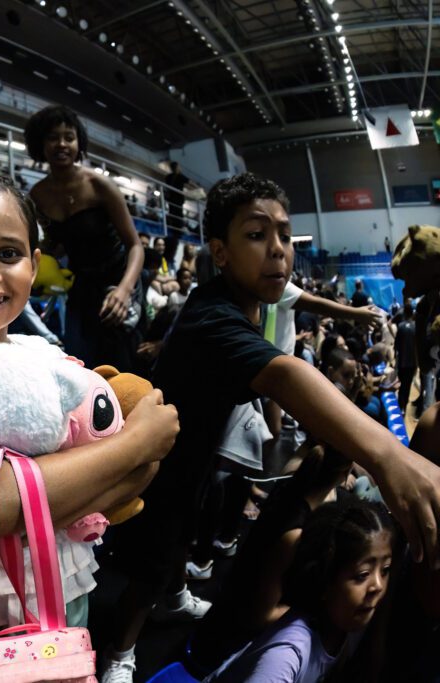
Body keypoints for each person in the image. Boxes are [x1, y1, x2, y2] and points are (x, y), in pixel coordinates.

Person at [99, 172, 440, 683]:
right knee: (152, 561)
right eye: (257, 235)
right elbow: (285, 372)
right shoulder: (214, 314)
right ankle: (120, 652)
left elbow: (299, 321)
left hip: (199, 453)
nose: (278, 250)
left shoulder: (253, 300)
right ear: (220, 251)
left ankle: (174, 597)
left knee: (182, 540)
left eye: (284, 235)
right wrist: (388, 455)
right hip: (161, 462)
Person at [0, 174, 177, 635]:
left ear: (33, 263)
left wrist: (26, 506)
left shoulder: (48, 356)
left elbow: (136, 480)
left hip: (65, 588)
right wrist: (134, 445)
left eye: (7, 254)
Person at [189, 445, 353, 674]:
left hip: (222, 611)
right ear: (345, 475)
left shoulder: (288, 487)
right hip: (229, 641)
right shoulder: (294, 536)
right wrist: (317, 604)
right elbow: (260, 615)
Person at [203, 497, 395, 683]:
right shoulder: (285, 657)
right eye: (362, 574)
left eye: (385, 570)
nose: (377, 586)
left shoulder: (349, 623)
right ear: (325, 580)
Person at [25, 105, 144, 370]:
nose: (62, 144)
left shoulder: (99, 185)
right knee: (83, 364)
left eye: (69, 137)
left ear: (79, 142)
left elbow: (135, 245)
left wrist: (125, 291)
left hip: (119, 282)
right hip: (81, 287)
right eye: (53, 137)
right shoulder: (38, 194)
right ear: (40, 144)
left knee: (126, 366)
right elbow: (52, 247)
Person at [164, 161, 189, 232]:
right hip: (178, 199)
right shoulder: (180, 176)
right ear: (177, 167)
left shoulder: (168, 177)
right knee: (178, 215)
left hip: (171, 199)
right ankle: (178, 230)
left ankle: (173, 229)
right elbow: (189, 181)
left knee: (172, 214)